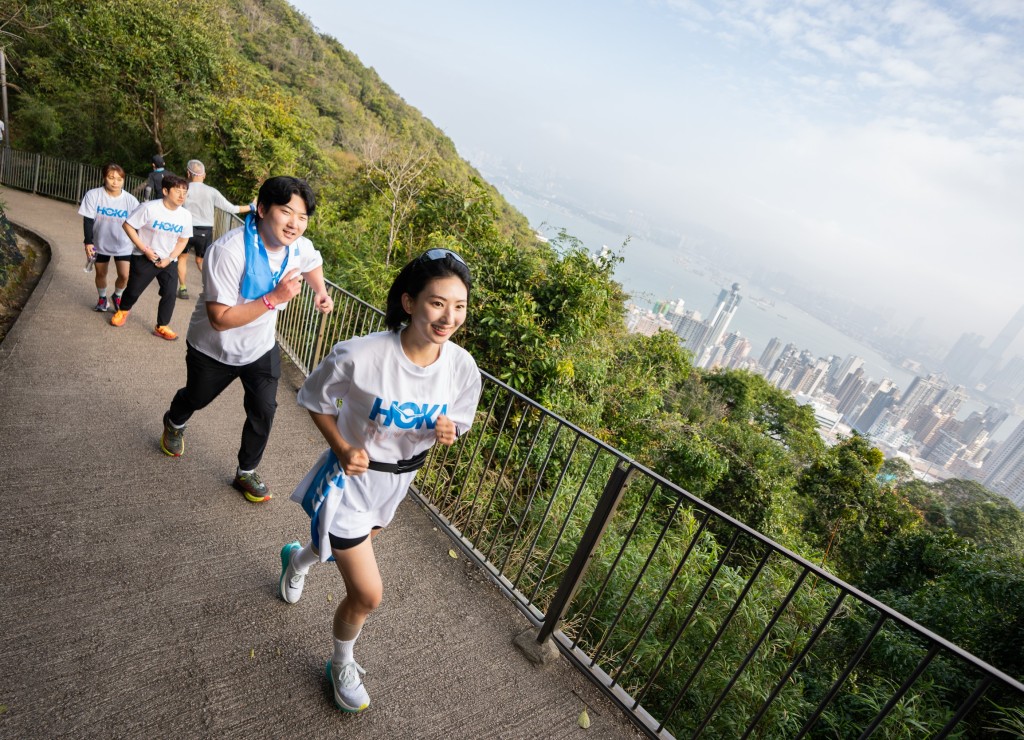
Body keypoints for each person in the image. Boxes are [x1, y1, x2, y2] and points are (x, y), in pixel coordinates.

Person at [277, 249, 481, 713]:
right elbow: (315, 399)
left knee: (345, 546)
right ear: (409, 302)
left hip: (396, 487)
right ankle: (340, 663)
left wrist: (447, 428)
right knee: (368, 593)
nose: (448, 317)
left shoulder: (461, 367)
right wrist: (343, 447)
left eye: (459, 306)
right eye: (436, 303)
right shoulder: (362, 355)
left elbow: (457, 420)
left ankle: (298, 560)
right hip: (350, 484)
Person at [159, 176, 334, 502]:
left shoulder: (296, 247)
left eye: (303, 217)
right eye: (286, 212)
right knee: (196, 397)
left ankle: (246, 471)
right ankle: (175, 421)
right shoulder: (228, 251)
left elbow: (313, 261)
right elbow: (220, 319)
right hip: (214, 348)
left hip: (259, 348)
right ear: (263, 209)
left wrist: (320, 292)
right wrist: (273, 299)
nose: (295, 224)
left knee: (264, 409)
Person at [111, 173, 193, 340]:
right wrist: (144, 249)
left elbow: (183, 240)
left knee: (170, 293)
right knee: (133, 290)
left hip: (168, 260)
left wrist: (170, 258)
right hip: (144, 256)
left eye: (185, 192)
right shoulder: (149, 208)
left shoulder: (185, 215)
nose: (181, 195)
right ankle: (123, 309)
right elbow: (128, 226)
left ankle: (162, 326)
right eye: (177, 191)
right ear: (165, 191)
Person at [178, 159, 253, 300]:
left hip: (185, 228)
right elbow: (231, 208)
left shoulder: (183, 189)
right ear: (204, 175)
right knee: (201, 261)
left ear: (188, 173)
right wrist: (251, 207)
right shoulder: (212, 192)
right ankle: (210, 289)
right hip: (204, 231)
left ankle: (182, 289)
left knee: (182, 258)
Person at [78, 163, 140, 312]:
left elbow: (138, 224)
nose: (115, 182)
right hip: (100, 243)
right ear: (104, 177)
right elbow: (88, 220)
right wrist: (88, 242)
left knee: (124, 275)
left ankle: (117, 295)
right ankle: (102, 299)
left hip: (123, 244)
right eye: (111, 178)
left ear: (124, 180)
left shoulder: (131, 201)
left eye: (119, 179)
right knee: (101, 273)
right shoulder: (93, 195)